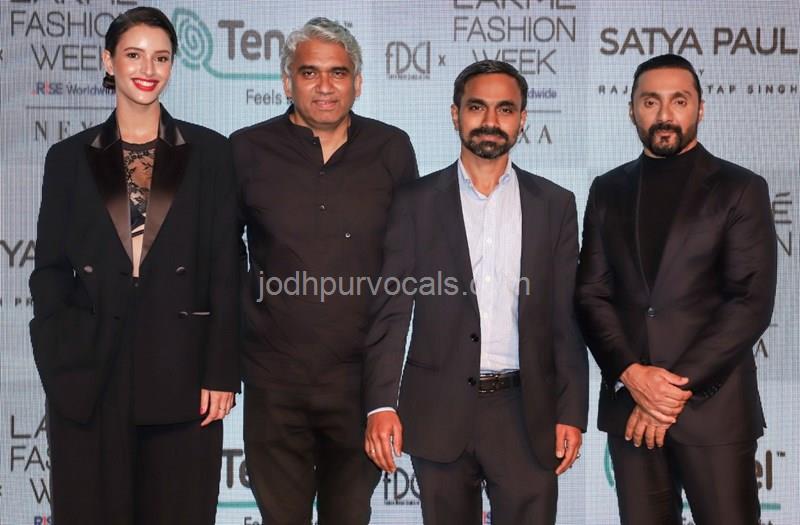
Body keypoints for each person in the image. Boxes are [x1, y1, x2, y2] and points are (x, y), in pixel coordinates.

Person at [28, 7, 239, 524]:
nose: (148, 69)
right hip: (91, 374)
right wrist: (61, 350)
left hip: (184, 373)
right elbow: (49, 268)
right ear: (109, 61)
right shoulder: (67, 158)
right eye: (134, 55)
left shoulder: (211, 153)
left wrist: (221, 372)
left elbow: (227, 266)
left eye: (161, 58)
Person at [363, 60, 589, 525]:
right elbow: (392, 311)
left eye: (505, 109)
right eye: (476, 107)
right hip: (437, 408)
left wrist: (571, 411)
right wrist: (382, 403)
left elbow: (565, 318)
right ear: (455, 114)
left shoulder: (555, 204)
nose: (490, 120)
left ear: (522, 119)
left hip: (526, 412)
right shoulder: (414, 202)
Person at [230, 17, 418, 524]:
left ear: (358, 82)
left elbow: (403, 273)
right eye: (309, 72)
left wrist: (385, 394)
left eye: (338, 72)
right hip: (274, 384)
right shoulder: (245, 150)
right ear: (287, 82)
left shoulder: (392, 149)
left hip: (359, 385)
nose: (325, 86)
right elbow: (224, 262)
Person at [576, 53, 777, 525]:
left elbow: (750, 301)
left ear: (700, 108)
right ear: (632, 109)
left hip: (714, 411)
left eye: (679, 101)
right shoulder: (607, 190)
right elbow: (590, 294)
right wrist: (633, 375)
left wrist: (667, 393)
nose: (664, 114)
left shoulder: (740, 188)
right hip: (630, 409)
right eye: (651, 101)